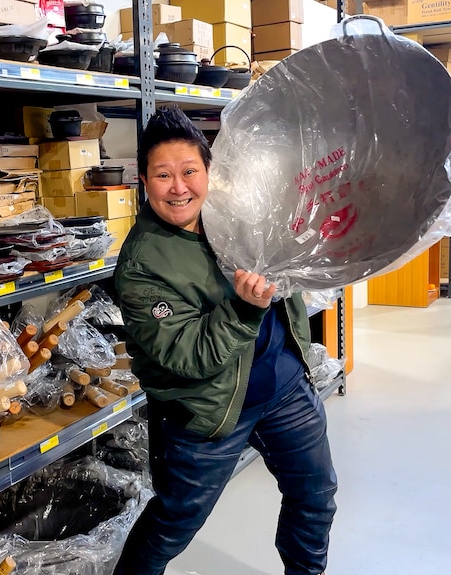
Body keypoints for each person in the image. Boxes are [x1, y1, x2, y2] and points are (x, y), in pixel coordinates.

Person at [112, 105, 338, 575]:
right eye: (163, 175)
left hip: (284, 386)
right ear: (145, 180)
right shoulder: (141, 263)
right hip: (208, 411)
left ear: (208, 170)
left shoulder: (240, 211)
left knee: (315, 497)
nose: (179, 187)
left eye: (190, 171)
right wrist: (244, 307)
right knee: (172, 524)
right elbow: (188, 356)